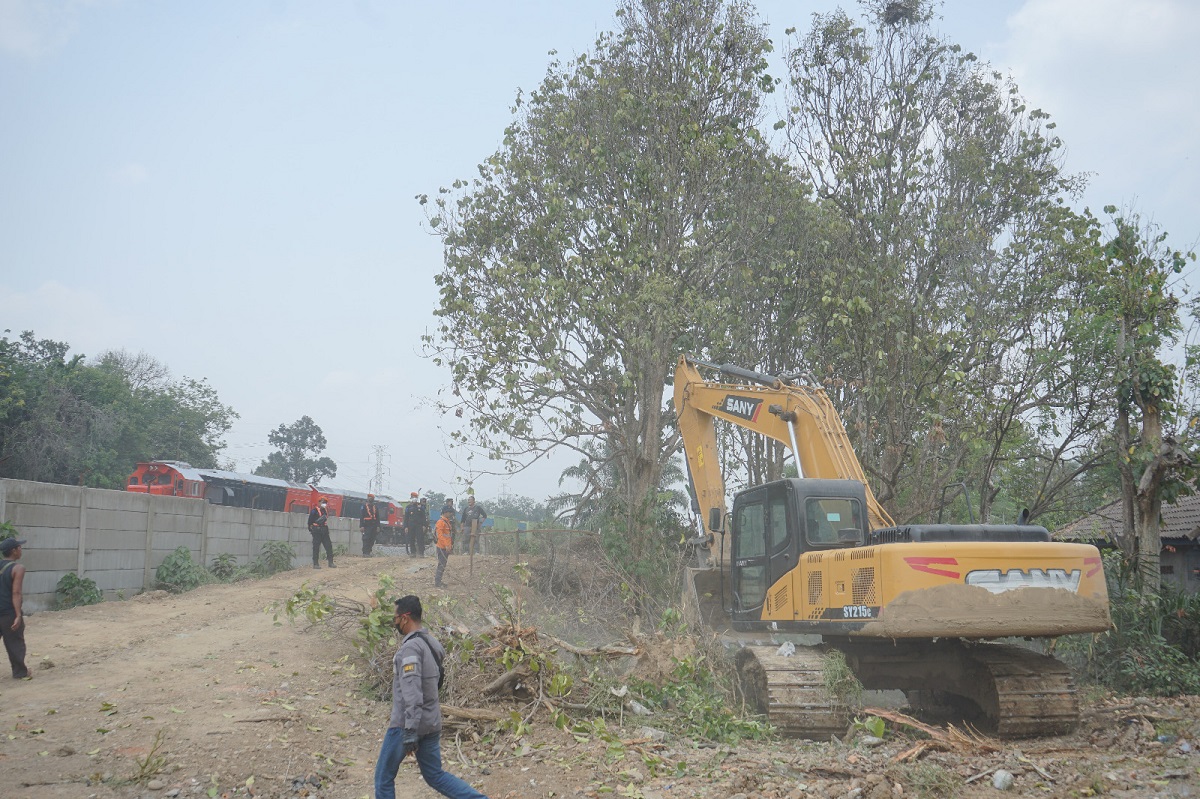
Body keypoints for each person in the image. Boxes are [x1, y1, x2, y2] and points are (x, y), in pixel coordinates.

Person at [374, 595, 490, 799]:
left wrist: (410, 730)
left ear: (405, 618)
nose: (394, 622)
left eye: (396, 617)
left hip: (407, 724)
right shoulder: (432, 643)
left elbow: (412, 692)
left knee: (383, 778)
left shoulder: (410, 648)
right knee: (435, 775)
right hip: (431, 721)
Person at [0, 536, 30, 680]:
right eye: (19, 547)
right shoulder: (18, 568)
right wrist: (18, 615)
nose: (21, 549)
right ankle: (20, 672)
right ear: (14, 551)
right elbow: (16, 592)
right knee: (14, 642)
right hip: (8, 612)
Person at [307, 498, 336, 569]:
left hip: (324, 530)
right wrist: (311, 530)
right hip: (317, 531)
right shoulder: (314, 511)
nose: (324, 504)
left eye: (325, 503)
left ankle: (331, 562)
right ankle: (315, 564)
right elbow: (310, 522)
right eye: (323, 502)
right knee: (316, 547)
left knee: (329, 546)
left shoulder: (325, 511)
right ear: (319, 502)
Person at [433, 507, 454, 588]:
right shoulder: (441, 522)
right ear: (445, 512)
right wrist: (446, 545)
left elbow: (448, 536)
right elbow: (440, 535)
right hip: (442, 547)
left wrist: (449, 545)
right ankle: (437, 582)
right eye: (449, 512)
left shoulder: (446, 522)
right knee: (441, 565)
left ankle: (438, 581)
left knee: (443, 565)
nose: (451, 514)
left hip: (445, 547)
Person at [403, 493, 426, 558]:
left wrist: (424, 525)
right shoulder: (408, 507)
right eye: (413, 497)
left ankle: (421, 553)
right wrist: (406, 527)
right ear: (411, 498)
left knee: (420, 539)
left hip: (419, 525)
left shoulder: (420, 506)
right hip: (410, 525)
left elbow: (423, 517)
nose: (414, 498)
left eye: (415, 497)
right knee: (411, 539)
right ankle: (413, 553)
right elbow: (406, 518)